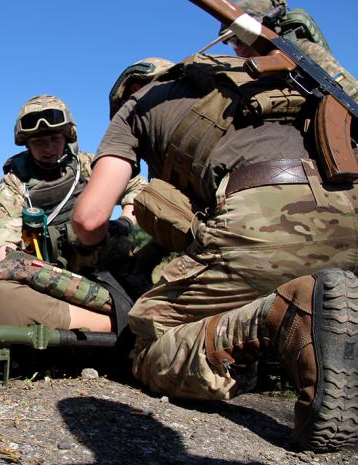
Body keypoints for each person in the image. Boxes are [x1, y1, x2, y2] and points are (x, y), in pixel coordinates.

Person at [72, 49, 358, 451]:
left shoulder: (139, 104)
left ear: (130, 89)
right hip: (350, 210)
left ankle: (274, 321)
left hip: (264, 218)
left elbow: (88, 219)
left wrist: (95, 252)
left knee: (147, 346)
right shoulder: (276, 78)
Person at [0, 95, 146, 272]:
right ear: (27, 144)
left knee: (120, 244)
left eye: (55, 139)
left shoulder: (87, 165)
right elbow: (3, 234)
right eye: (39, 141)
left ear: (67, 137)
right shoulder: (16, 181)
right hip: (44, 266)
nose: (48, 148)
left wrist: (125, 221)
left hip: (96, 261)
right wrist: (11, 267)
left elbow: (137, 187)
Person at [221, 0, 358, 101]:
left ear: (267, 29)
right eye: (232, 42)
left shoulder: (304, 52)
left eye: (243, 39)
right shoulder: (247, 71)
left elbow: (352, 96)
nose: (239, 49)